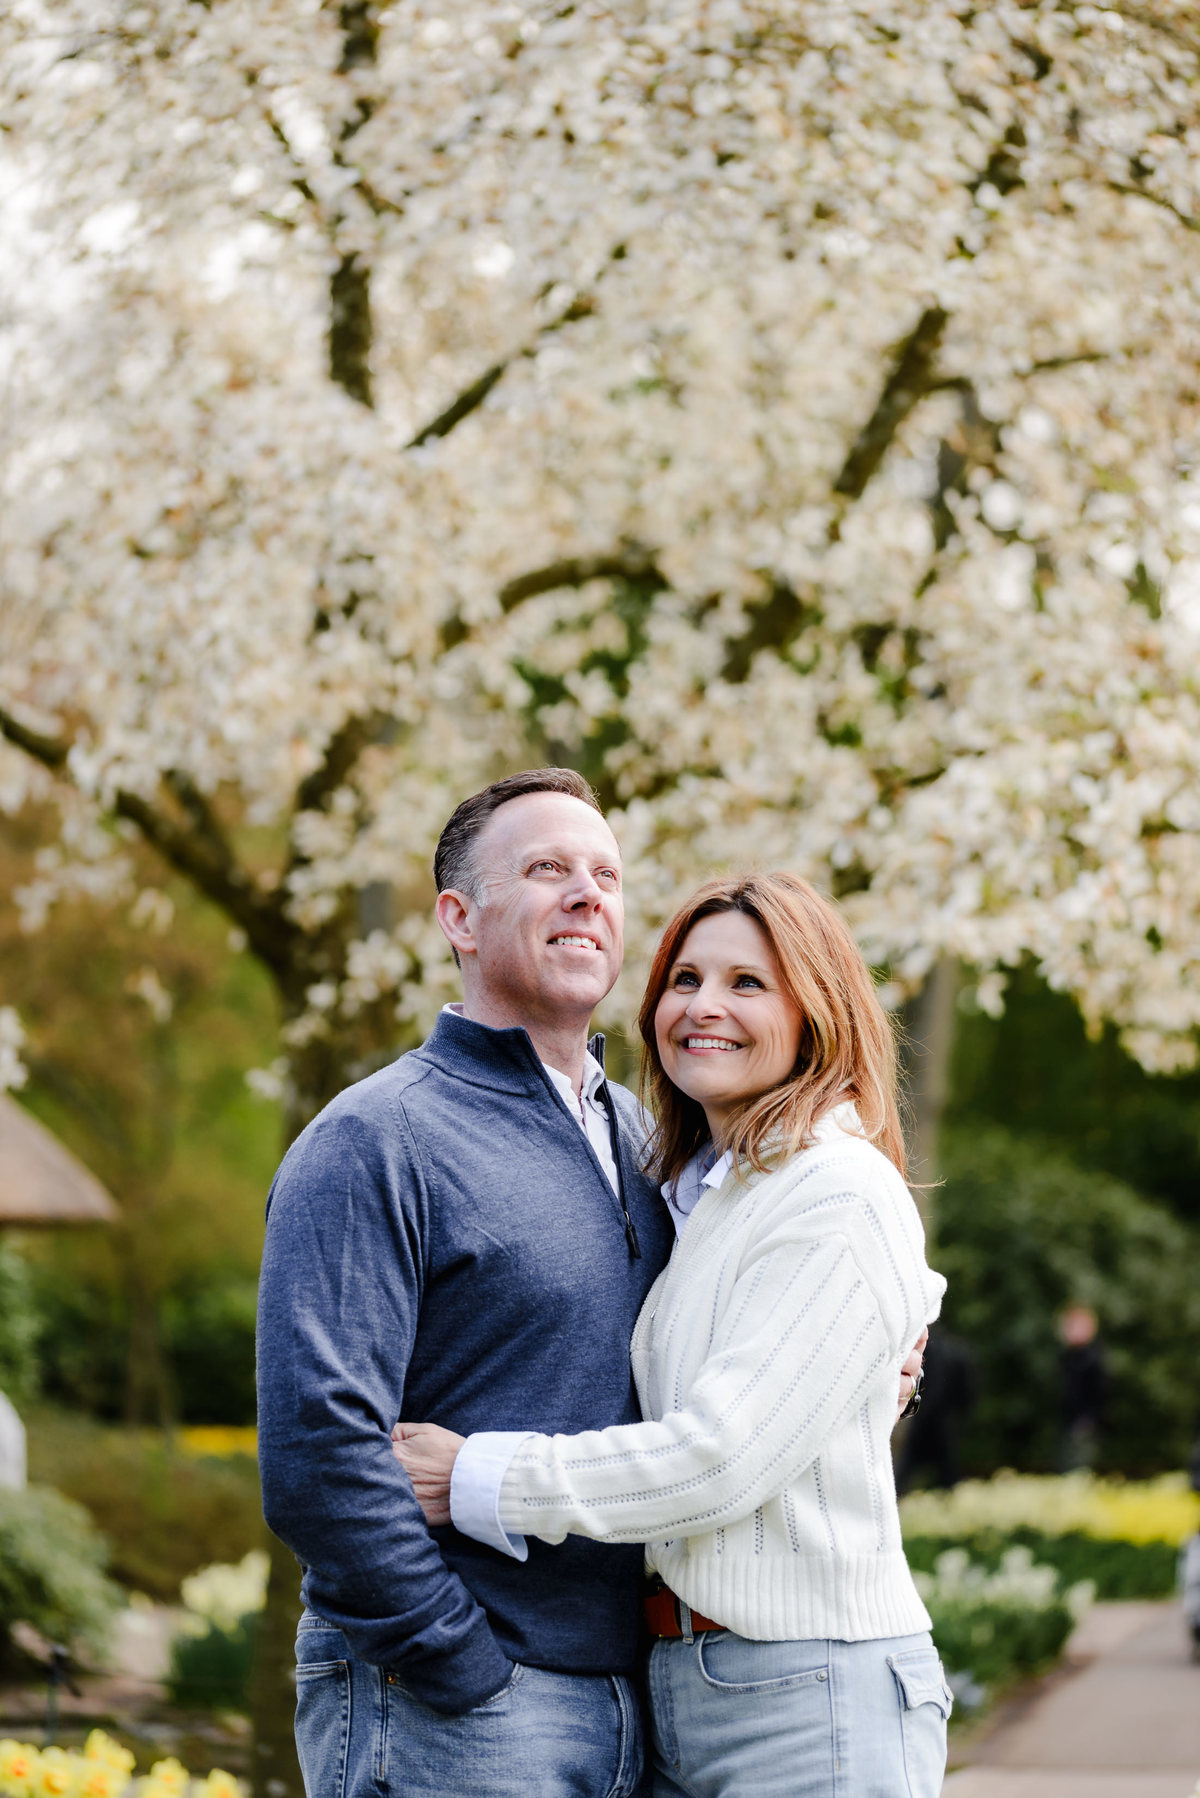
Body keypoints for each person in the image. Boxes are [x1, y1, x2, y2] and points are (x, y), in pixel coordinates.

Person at [257, 772, 923, 1798]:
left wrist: (884, 1357)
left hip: (645, 1704)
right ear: (458, 919)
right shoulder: (374, 1139)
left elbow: (750, 1388)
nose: (586, 894)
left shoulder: (650, 1148)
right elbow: (320, 1459)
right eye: (546, 869)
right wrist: (464, 1666)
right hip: (468, 1703)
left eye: (606, 875)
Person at [394, 872, 950, 1798]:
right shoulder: (698, 1196)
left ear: (817, 1011)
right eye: (685, 980)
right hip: (678, 1688)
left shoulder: (838, 1190)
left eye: (748, 984)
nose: (703, 1008)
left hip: (807, 1694)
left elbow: (720, 1458)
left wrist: (478, 1479)